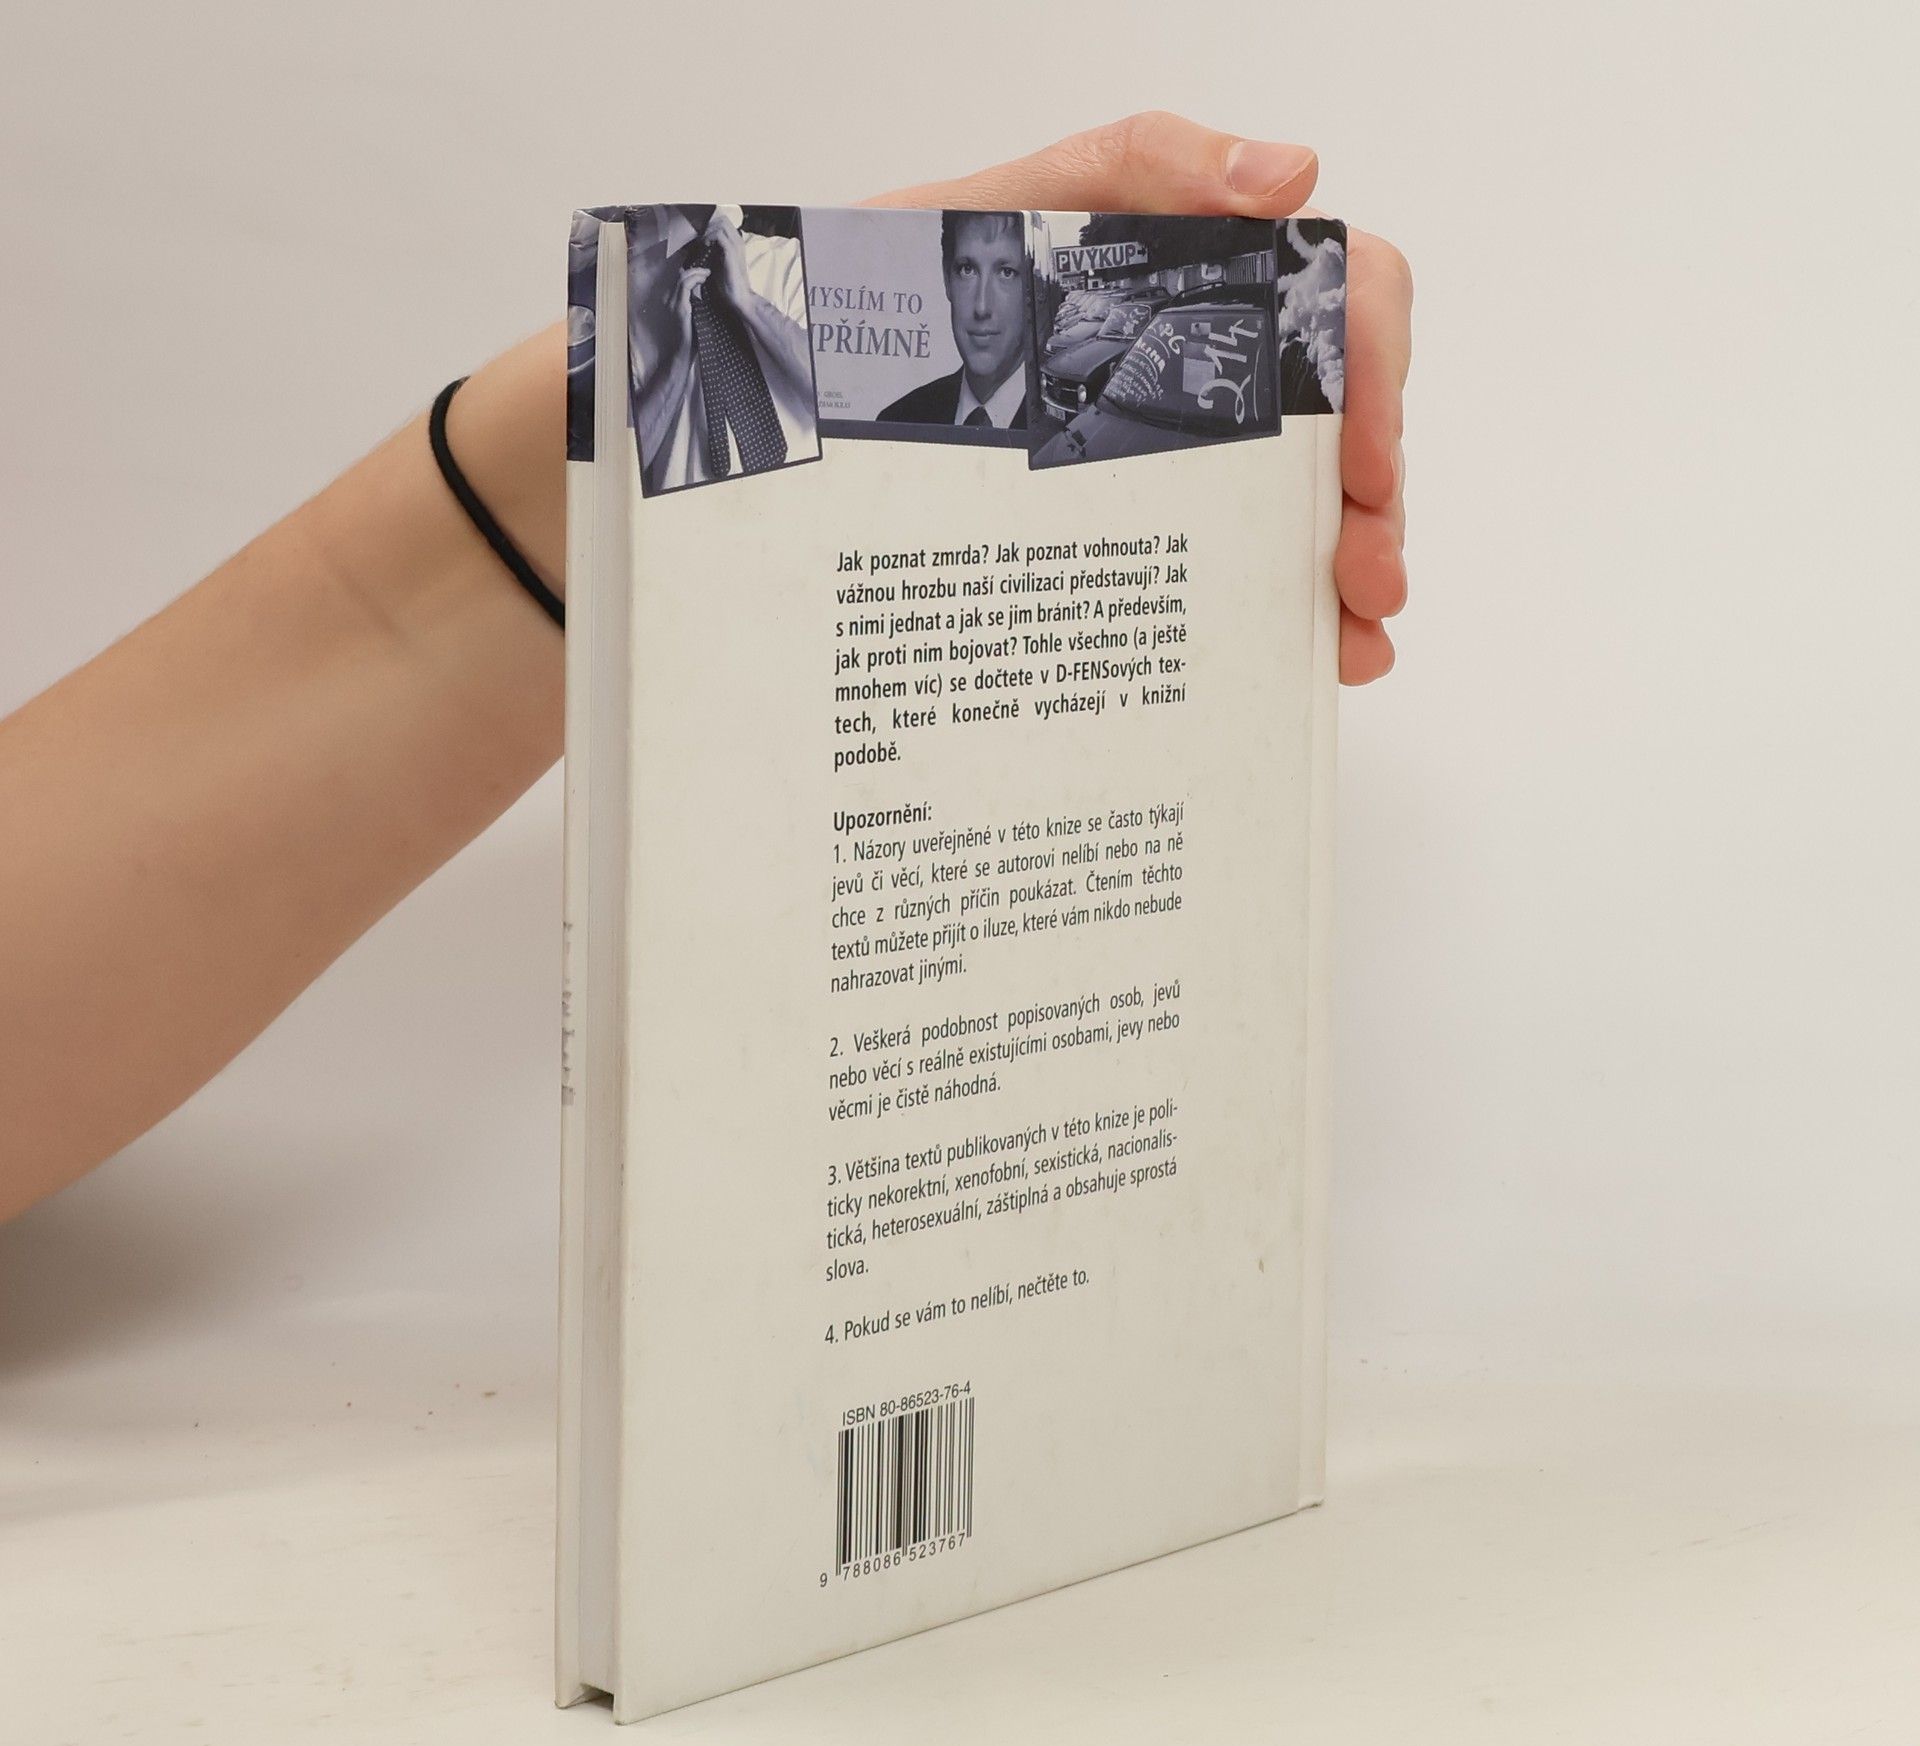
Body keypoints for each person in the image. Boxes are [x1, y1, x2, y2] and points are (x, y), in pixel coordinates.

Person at [0, 113, 1412, 1226]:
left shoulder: (1027, 416)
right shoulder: (918, 403)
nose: (988, 296)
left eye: (1004, 269)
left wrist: (565, 467)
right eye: (967, 269)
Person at [628, 204, 818, 493]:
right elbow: (622, 464)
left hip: (794, 503)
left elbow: (831, 398)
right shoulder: (629, 288)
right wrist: (678, 358)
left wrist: (748, 301)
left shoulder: (791, 260)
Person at [878, 210, 1031, 430]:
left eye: (1006, 272)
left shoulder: (1067, 429)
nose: (981, 307)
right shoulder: (896, 421)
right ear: (947, 278)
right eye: (967, 270)